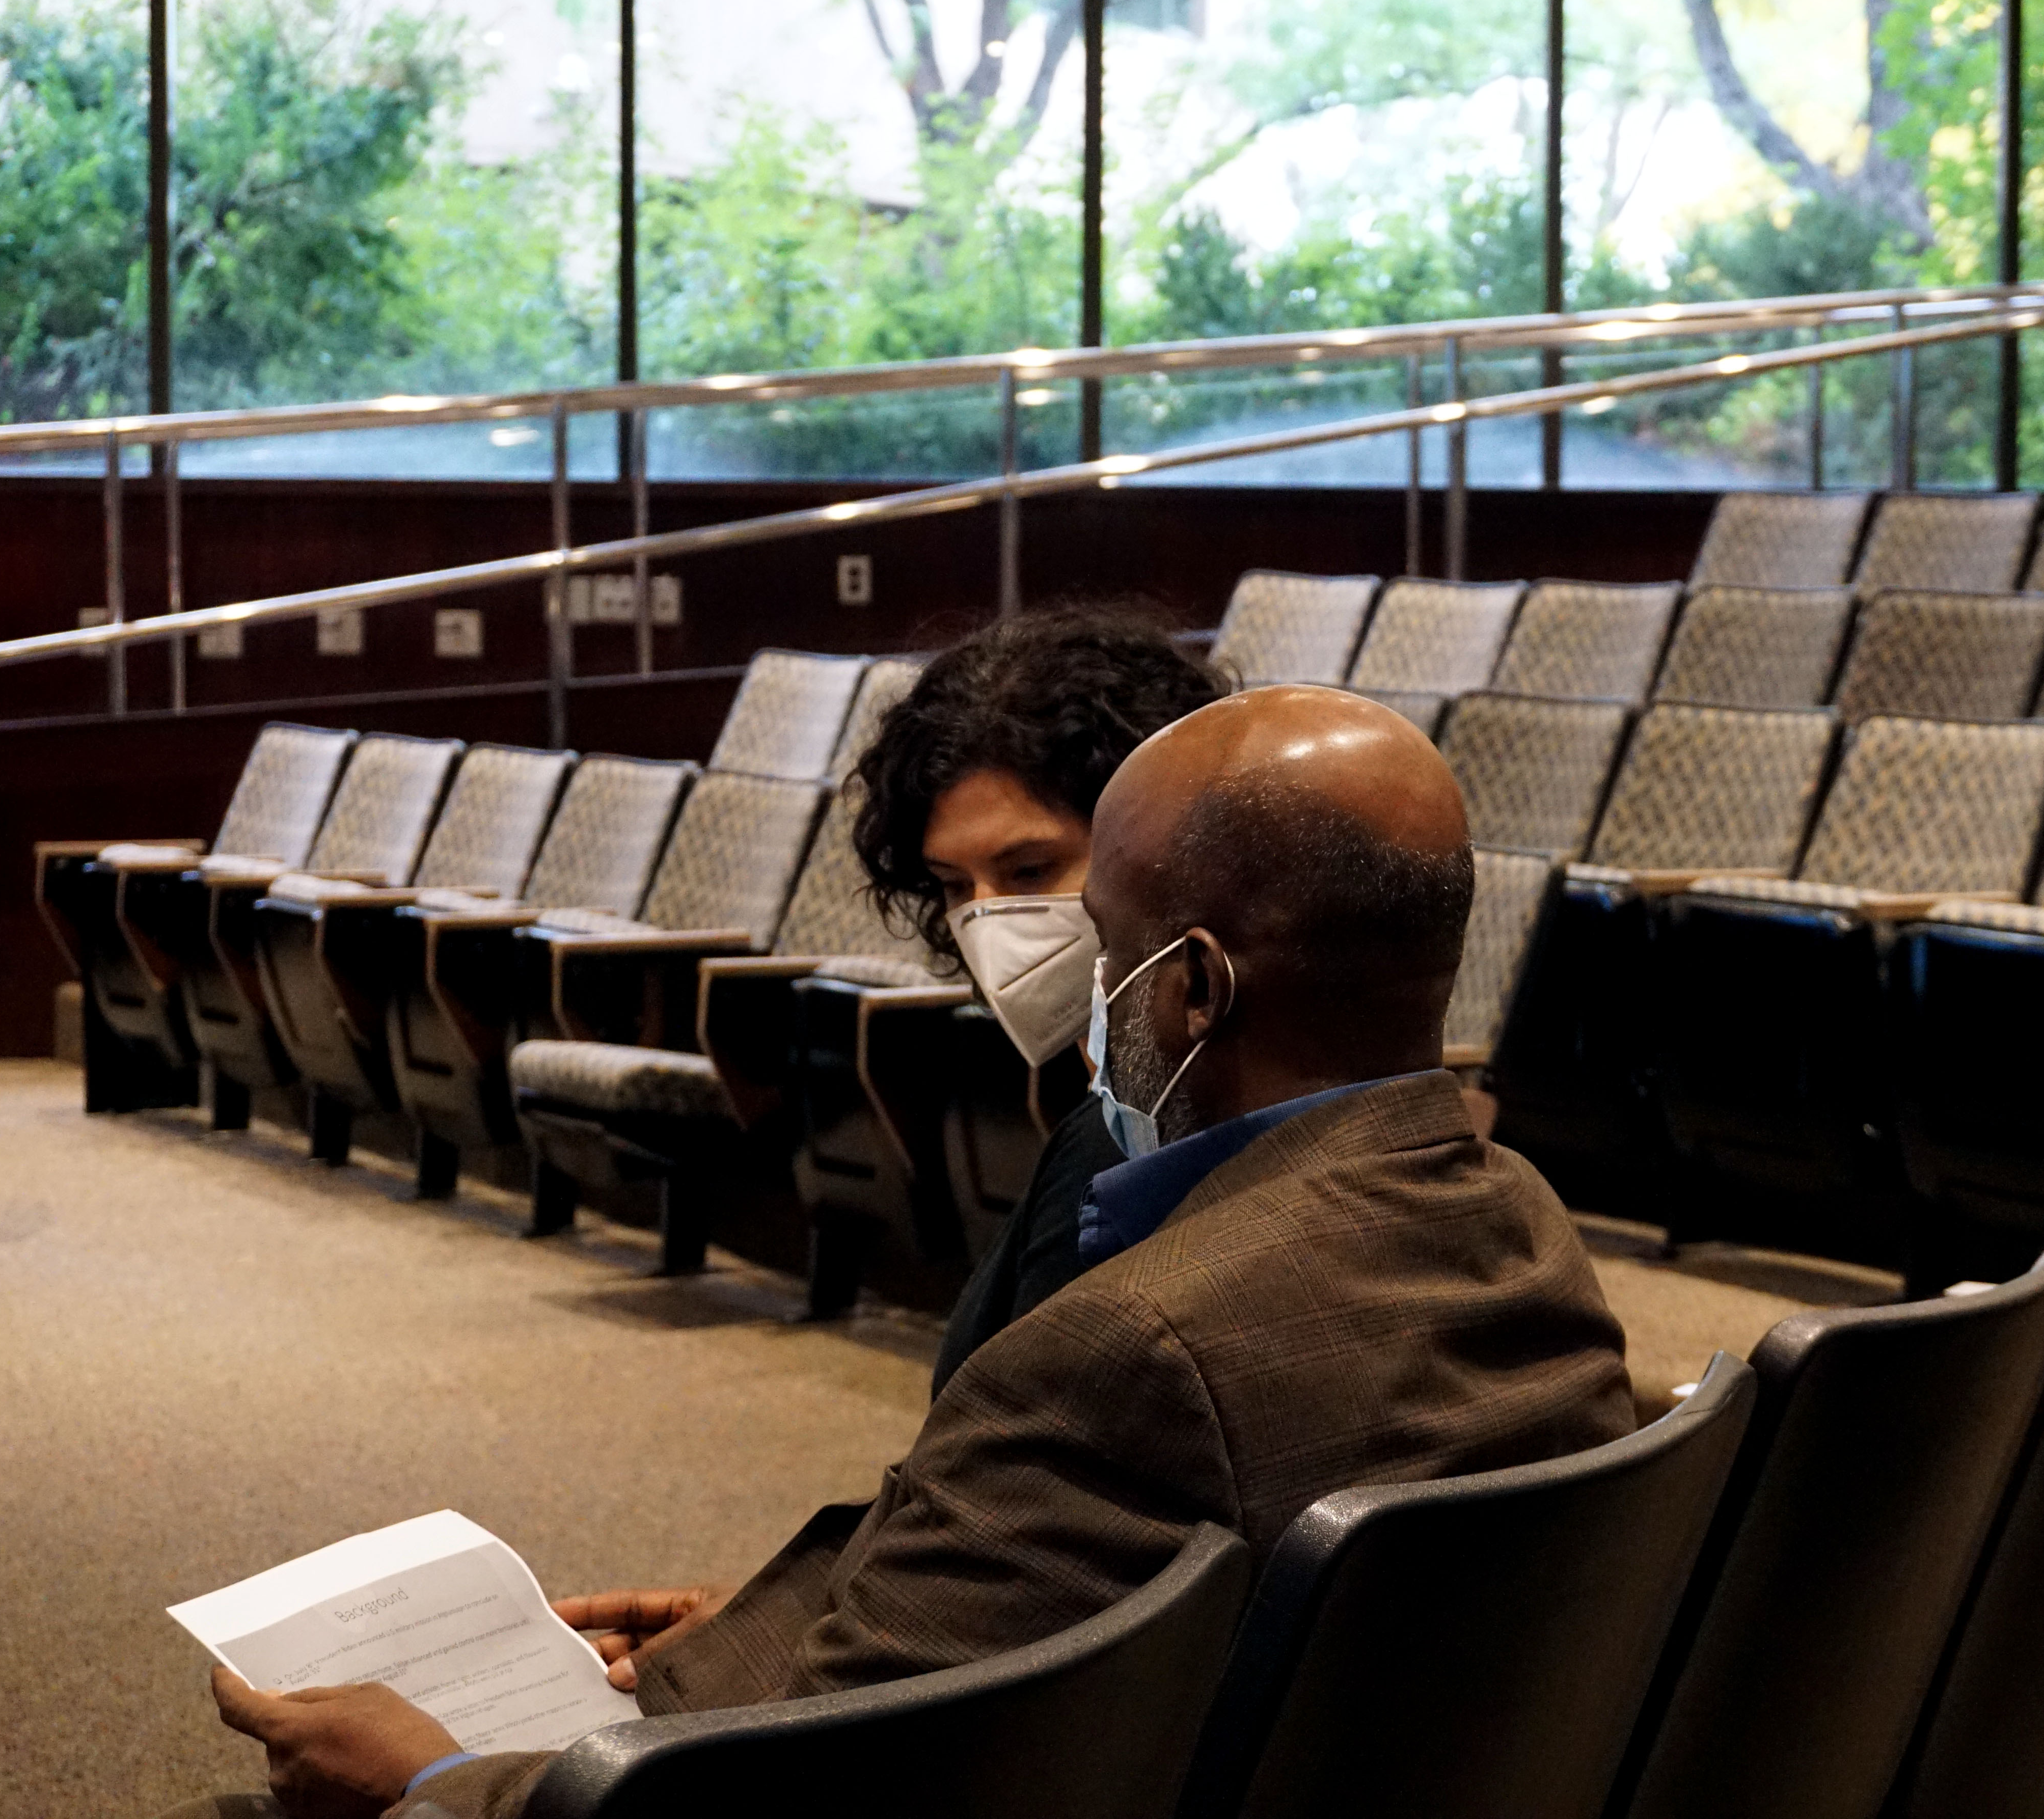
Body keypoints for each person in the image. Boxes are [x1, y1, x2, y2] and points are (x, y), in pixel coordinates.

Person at [182, 685, 1638, 1819]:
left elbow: (811, 1797)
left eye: (1097, 932)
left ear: (1191, 987)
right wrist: (796, 1622)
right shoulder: (1516, 1226)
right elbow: (1066, 1607)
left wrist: (432, 1780)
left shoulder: (1136, 1343)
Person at [843, 602, 1224, 1390]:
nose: (989, 926)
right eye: (954, 886)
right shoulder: (1107, 1113)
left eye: (1028, 873)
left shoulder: (1141, 1144)